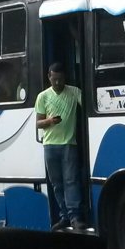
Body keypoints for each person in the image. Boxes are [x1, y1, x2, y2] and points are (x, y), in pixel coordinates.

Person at [35, 62, 86, 231]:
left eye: (60, 79)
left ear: (65, 78)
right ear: (49, 77)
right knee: (57, 183)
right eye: (54, 79)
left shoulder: (74, 92)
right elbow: (38, 124)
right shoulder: (43, 96)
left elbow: (90, 105)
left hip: (69, 144)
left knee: (71, 181)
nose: (57, 83)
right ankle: (64, 216)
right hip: (50, 145)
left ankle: (75, 217)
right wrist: (50, 121)